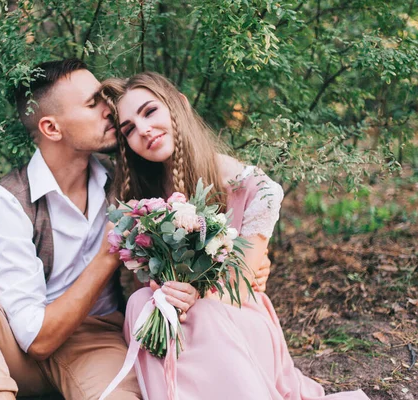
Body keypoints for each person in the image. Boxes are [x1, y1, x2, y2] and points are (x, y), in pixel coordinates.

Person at [100, 72, 369, 399]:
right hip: (176, 317)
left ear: (179, 106)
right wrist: (167, 288)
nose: (142, 129)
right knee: (142, 303)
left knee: (202, 312)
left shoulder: (251, 187)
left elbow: (240, 286)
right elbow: (149, 278)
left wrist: (195, 293)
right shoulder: (139, 200)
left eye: (150, 111)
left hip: (233, 314)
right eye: (128, 129)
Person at [0, 59, 143, 400]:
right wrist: (107, 253)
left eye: (105, 99)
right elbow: (36, 340)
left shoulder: (125, 184)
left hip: (97, 344)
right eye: (92, 104)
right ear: (52, 129)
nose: (109, 110)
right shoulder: (8, 201)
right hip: (16, 352)